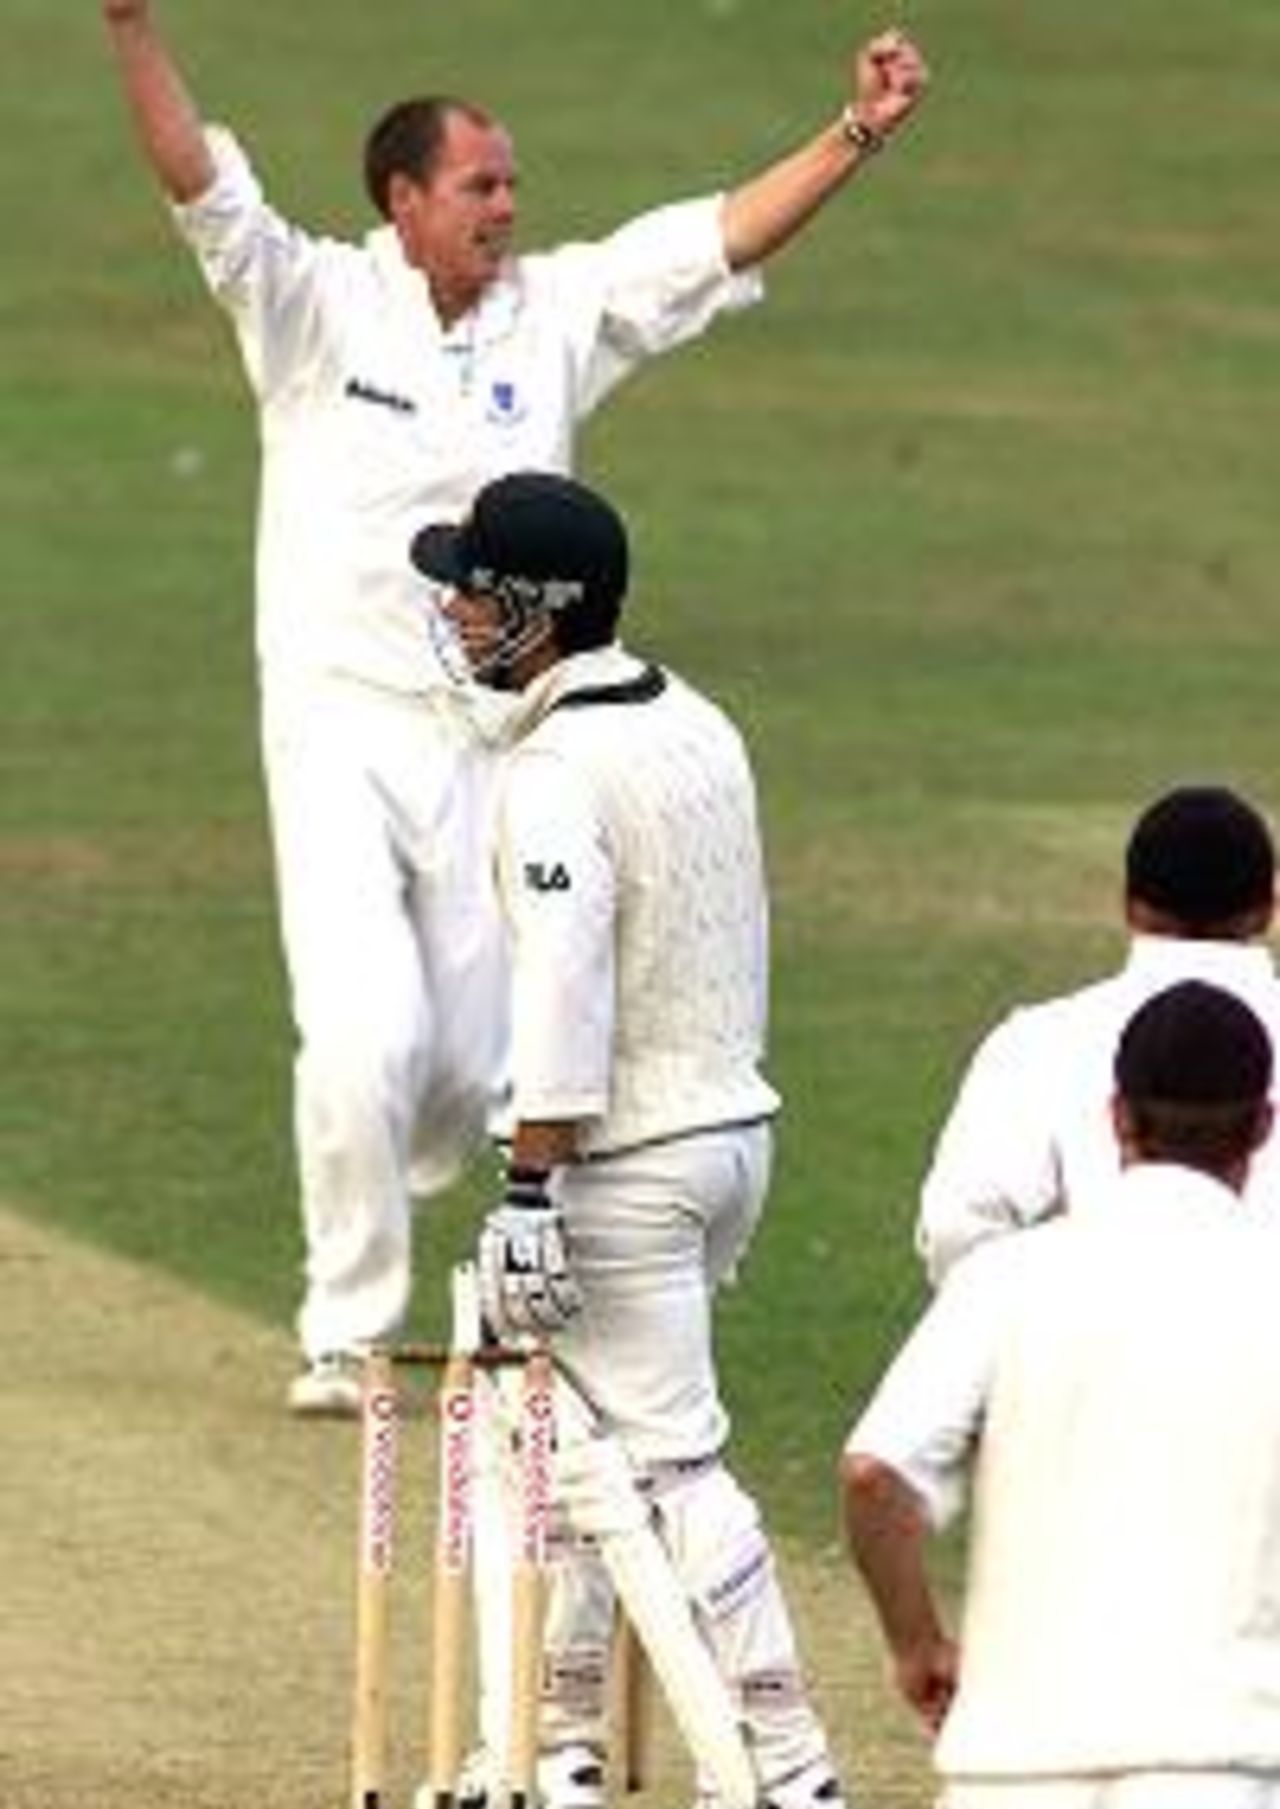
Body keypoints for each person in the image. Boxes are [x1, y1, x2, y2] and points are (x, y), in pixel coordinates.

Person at [101, 0, 929, 1416]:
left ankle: (482, 1286)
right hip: (339, 724)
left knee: (479, 1065)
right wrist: (128, 24)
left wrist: (854, 130)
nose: (506, 205)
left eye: (511, 183)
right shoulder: (313, 304)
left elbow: (716, 238)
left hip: (499, 731)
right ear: (403, 198)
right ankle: (347, 1332)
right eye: (480, 183)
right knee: (362, 1037)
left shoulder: (555, 312)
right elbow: (198, 184)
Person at [408, 468, 852, 1809]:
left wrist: (533, 1185)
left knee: (658, 1463)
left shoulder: (554, 772)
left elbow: (564, 990)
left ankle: (784, 1770)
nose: (458, 611)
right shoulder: (696, 720)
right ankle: (565, 1749)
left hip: (624, 1162)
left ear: (539, 615)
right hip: (728, 1135)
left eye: (476, 590)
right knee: (573, 1450)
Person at [843, 979, 1280, 1809]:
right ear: (1264, 1125)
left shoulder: (1008, 1275)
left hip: (1019, 1770)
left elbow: (876, 1474)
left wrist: (916, 1644)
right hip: (1219, 1765)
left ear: (1118, 1117)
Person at [916, 784, 1280, 1287]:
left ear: (1131, 906)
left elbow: (958, 1231)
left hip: (1085, 1352)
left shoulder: (1039, 1042)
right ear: (1268, 909)